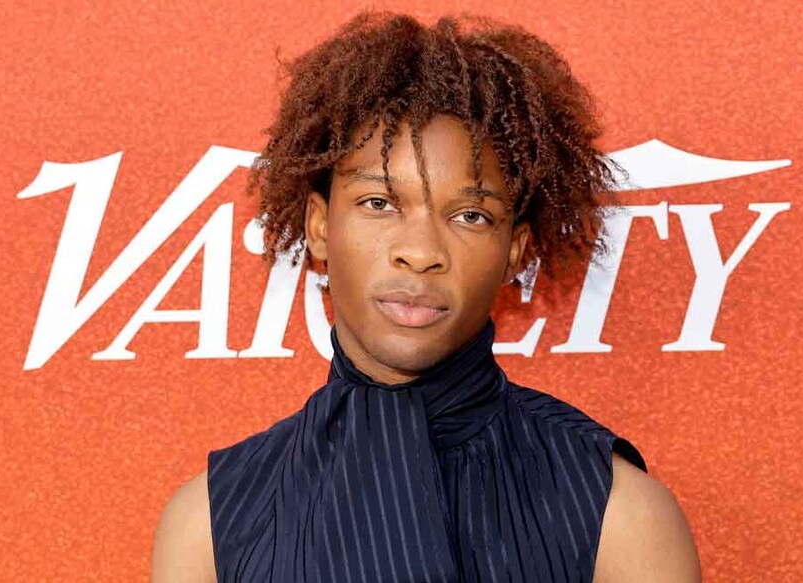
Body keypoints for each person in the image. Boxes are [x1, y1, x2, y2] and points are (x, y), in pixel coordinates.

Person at [152, 11, 700, 583]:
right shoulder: (210, 525)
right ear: (318, 226)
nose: (420, 250)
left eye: (470, 214)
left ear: (515, 251)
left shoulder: (619, 516)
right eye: (379, 204)